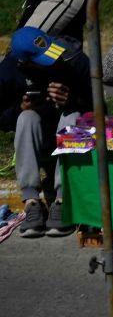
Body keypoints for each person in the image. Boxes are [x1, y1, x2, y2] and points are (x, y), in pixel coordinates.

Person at [2, 26, 90, 238]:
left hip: (77, 140)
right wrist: (19, 109)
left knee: (72, 115)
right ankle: (31, 200)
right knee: (26, 118)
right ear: (23, 63)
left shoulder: (74, 59)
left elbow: (98, 110)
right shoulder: (8, 71)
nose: (52, 61)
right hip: (39, 140)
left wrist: (72, 100)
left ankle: (63, 199)